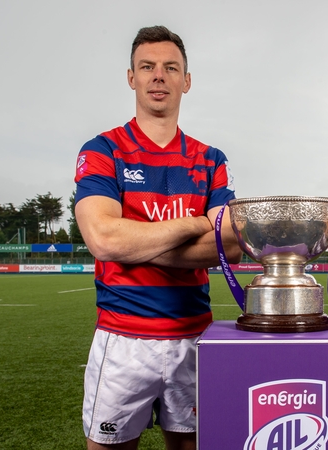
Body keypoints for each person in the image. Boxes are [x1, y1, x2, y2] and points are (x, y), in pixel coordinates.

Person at [74, 25, 242, 450]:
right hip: (122, 338)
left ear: (187, 81)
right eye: (147, 67)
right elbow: (104, 239)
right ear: (131, 77)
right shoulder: (102, 150)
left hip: (193, 336)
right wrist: (194, 223)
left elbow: (230, 245)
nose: (158, 76)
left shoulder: (211, 159)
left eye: (171, 67)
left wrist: (136, 242)